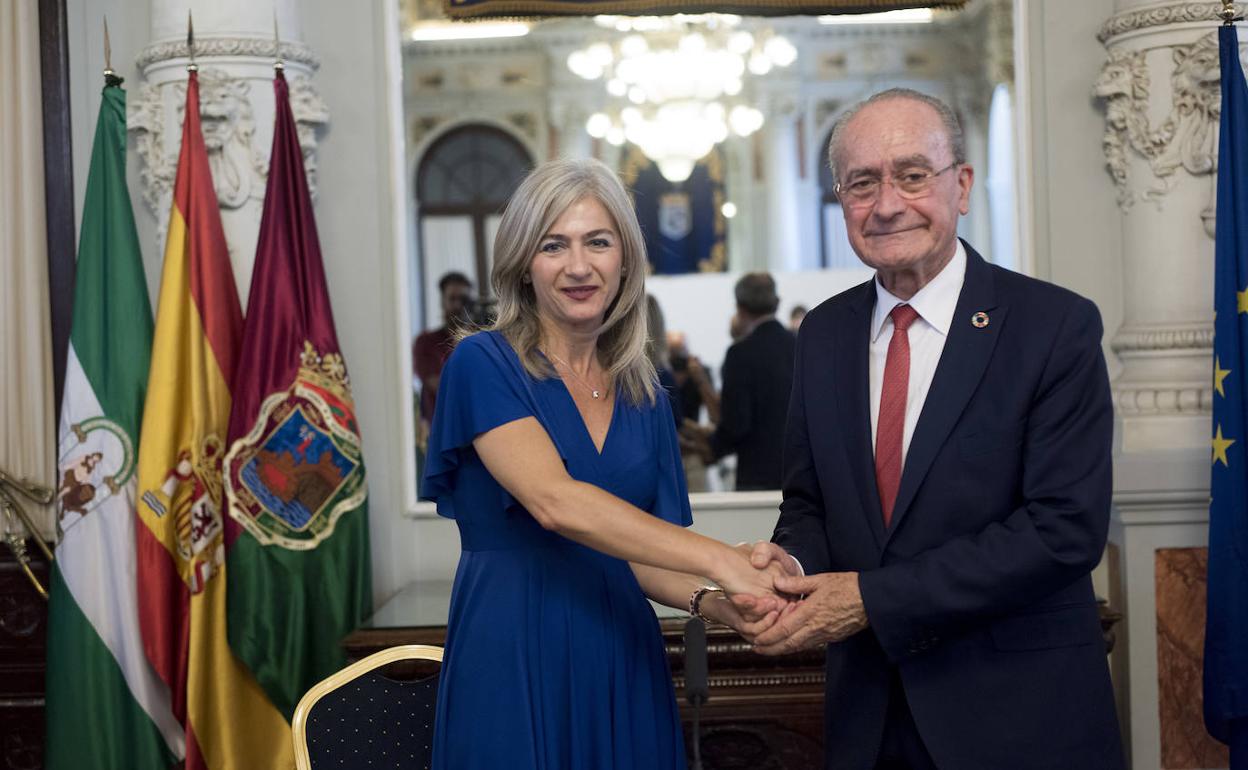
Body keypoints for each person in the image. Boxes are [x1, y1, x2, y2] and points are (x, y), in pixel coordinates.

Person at [739, 89, 1126, 769]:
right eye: (862, 183)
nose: (887, 203)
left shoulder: (1053, 328)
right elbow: (809, 504)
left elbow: (1063, 531)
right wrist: (791, 567)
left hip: (1019, 719)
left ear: (962, 185)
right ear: (842, 199)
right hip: (870, 718)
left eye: (913, 175)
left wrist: (868, 600)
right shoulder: (822, 335)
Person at [420, 158, 786, 769]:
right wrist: (724, 560)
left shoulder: (644, 391)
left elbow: (640, 557)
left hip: (621, 650)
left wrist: (717, 600)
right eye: (553, 245)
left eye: (598, 242)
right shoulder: (483, 363)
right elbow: (556, 502)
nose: (579, 266)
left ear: (625, 259)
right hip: (513, 648)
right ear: (523, 265)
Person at [690, 272, 796, 491]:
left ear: (739, 306)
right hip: (801, 474)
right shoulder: (801, 345)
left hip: (757, 477)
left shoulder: (740, 354)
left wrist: (712, 448)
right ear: (777, 303)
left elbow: (737, 423)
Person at [413, 271, 474, 433]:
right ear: (442, 301)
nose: (457, 306)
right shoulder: (425, 342)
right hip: (441, 433)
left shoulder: (480, 342)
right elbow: (441, 387)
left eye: (463, 300)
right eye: (452, 299)